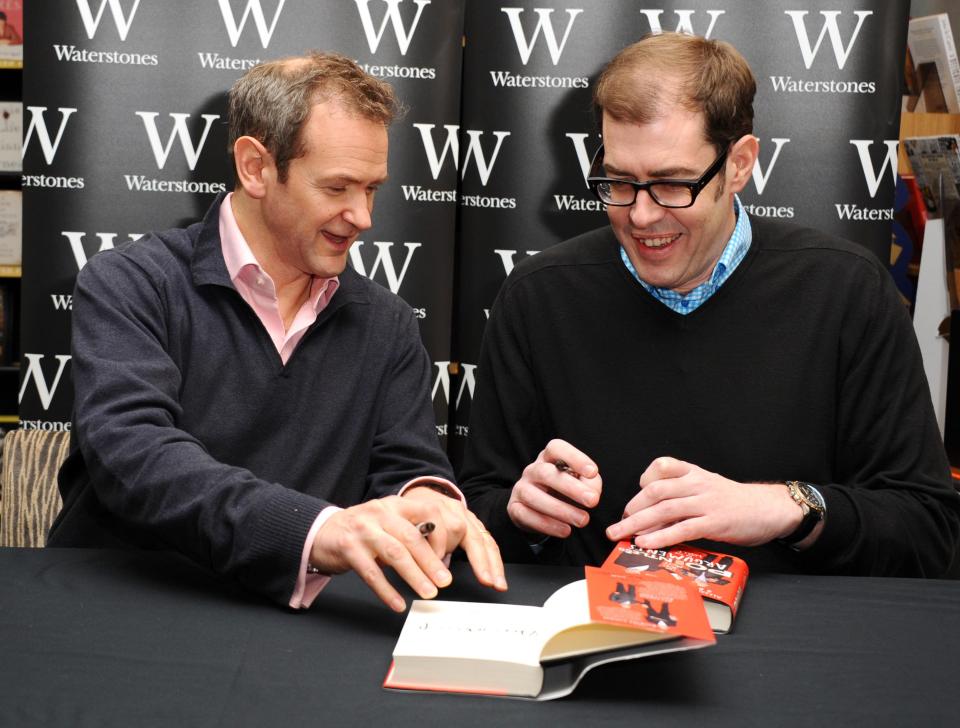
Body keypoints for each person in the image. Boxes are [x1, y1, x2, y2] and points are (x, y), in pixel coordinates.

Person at [459, 32, 960, 577]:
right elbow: (482, 509)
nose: (642, 216)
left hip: (790, 649)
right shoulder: (538, 297)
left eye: (673, 185)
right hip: (591, 638)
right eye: (620, 181)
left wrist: (787, 508)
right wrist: (519, 516)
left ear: (739, 164)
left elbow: (928, 530)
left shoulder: (846, 292)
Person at [48, 51, 505, 611]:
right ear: (256, 168)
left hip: (294, 632)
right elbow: (136, 457)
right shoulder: (130, 284)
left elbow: (409, 469)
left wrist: (428, 507)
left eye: (373, 189)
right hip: (121, 611)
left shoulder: (385, 322)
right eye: (338, 188)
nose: (362, 216)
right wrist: (317, 531)